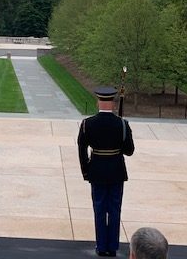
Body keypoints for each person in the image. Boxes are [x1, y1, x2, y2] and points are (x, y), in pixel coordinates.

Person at [78, 86, 135, 257]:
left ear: (98, 102)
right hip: (116, 171)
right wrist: (122, 135)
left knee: (100, 209)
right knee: (115, 209)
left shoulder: (87, 124)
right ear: (113, 103)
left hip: (97, 171)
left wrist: (86, 171)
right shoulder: (122, 124)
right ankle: (112, 247)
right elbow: (129, 151)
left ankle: (101, 246)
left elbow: (82, 149)